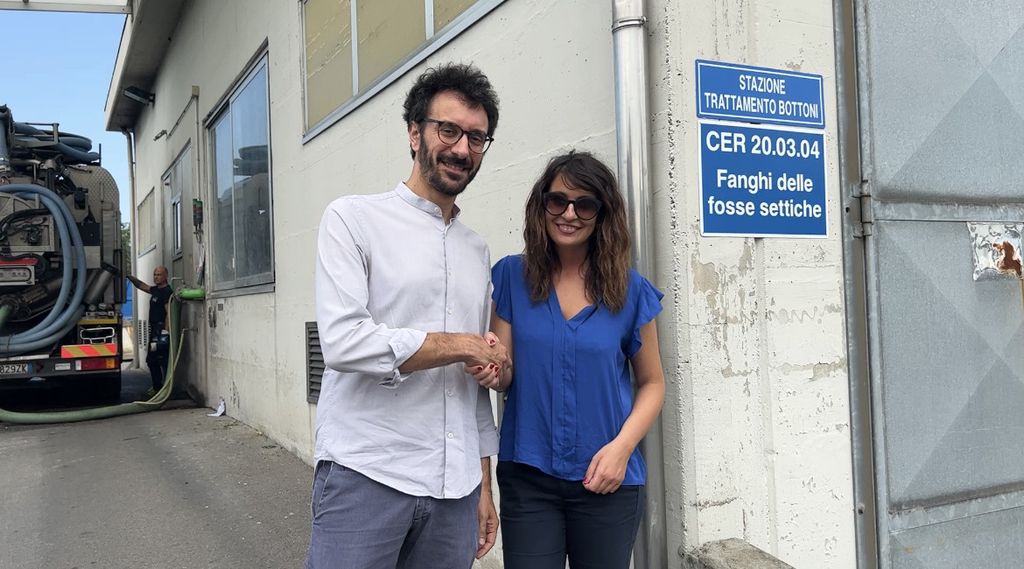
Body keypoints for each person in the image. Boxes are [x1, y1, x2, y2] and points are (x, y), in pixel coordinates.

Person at [307, 62, 510, 569]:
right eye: (449, 130)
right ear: (414, 133)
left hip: (455, 490)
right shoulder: (353, 219)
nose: (462, 149)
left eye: (477, 138)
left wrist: (484, 485)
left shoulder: (475, 249)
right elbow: (344, 343)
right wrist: (462, 344)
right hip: (366, 475)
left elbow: (472, 387)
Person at [478, 150, 666, 569]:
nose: (569, 213)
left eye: (585, 204)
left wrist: (622, 449)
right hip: (529, 476)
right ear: (541, 204)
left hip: (607, 479)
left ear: (603, 213)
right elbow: (504, 371)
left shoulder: (630, 290)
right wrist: (492, 370)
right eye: (558, 200)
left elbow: (653, 383)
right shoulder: (512, 276)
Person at [127, 266, 172, 396]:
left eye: (159, 274)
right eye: (154, 274)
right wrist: (130, 277)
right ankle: (158, 387)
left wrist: (165, 332)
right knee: (152, 360)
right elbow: (142, 286)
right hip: (154, 330)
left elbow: (169, 312)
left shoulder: (167, 292)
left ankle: (162, 389)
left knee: (160, 359)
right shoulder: (156, 290)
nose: (156, 277)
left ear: (165, 276)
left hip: (160, 330)